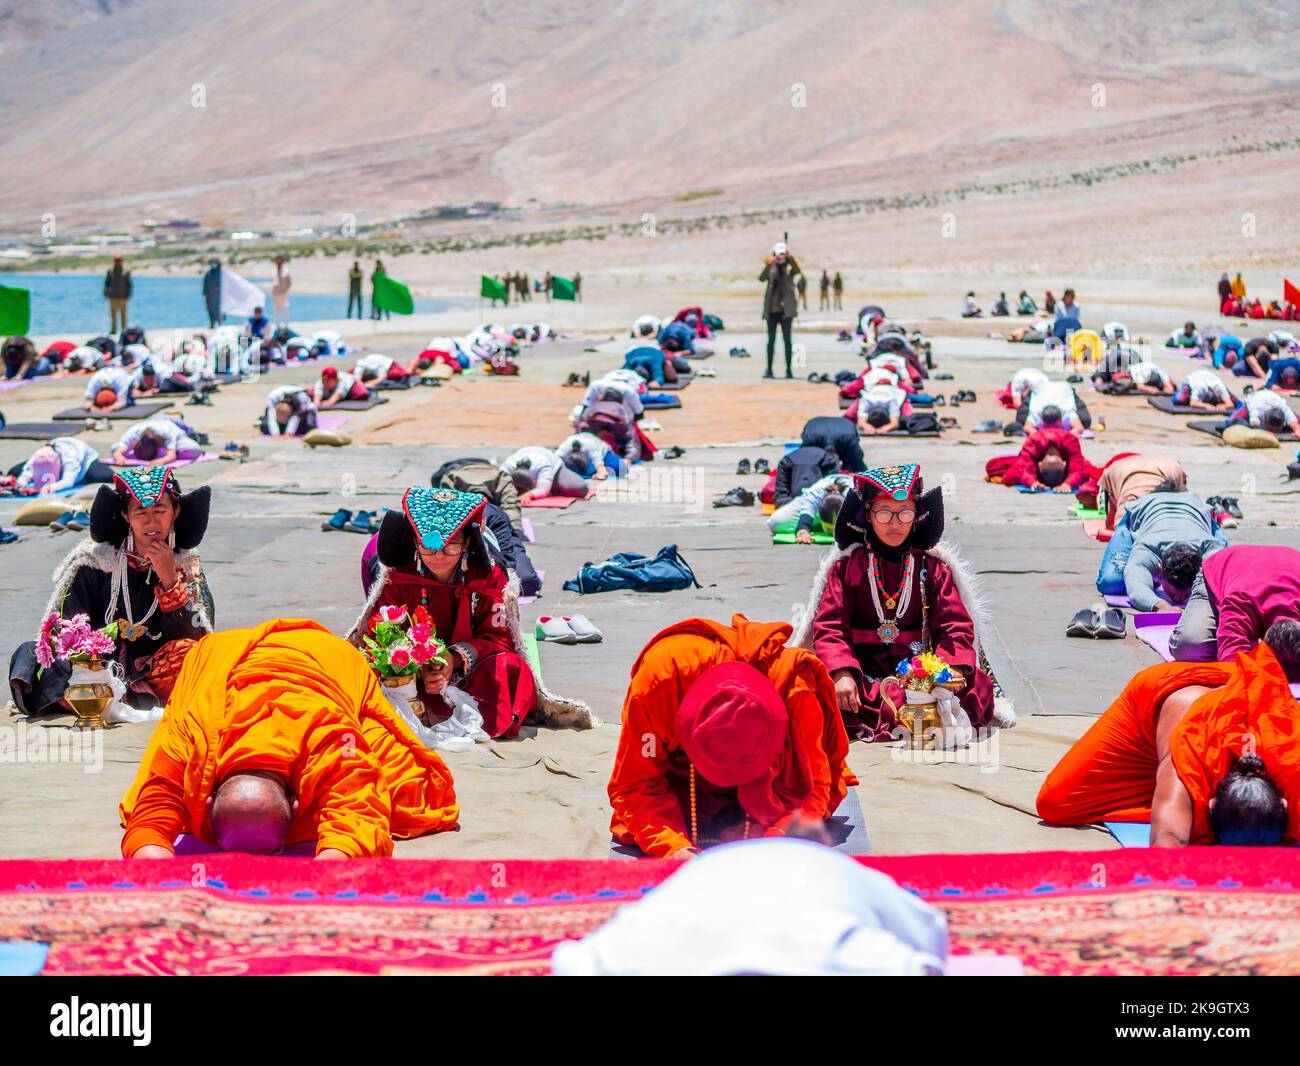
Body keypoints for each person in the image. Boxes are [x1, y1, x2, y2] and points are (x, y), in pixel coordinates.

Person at [119, 618, 458, 858]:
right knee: (378, 784)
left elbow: (151, 820)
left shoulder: (333, 738)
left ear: (206, 803)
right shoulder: (193, 734)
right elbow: (154, 811)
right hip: (221, 653)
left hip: (326, 656)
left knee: (404, 792)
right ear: (296, 805)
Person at [793, 464, 1012, 742]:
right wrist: (842, 672)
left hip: (920, 671)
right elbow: (830, 627)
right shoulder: (847, 568)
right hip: (863, 673)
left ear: (916, 515)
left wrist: (948, 671)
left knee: (973, 687)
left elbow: (954, 625)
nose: (895, 522)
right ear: (868, 515)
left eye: (904, 512)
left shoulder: (932, 568)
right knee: (815, 689)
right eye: (884, 512)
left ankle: (922, 707)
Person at [350, 487, 590, 738]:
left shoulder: (490, 577)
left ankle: (461, 715)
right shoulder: (397, 574)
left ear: (466, 543)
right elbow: (377, 634)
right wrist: (411, 664)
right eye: (428, 547)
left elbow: (500, 639)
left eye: (451, 546)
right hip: (412, 674)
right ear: (415, 543)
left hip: (466, 670)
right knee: (361, 670)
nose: (438, 557)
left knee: (511, 668)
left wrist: (454, 659)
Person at [607, 614, 854, 857]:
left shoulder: (794, 689)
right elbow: (635, 784)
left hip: (769, 785)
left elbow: (816, 787)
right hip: (685, 776)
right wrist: (674, 849)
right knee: (638, 823)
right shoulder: (660, 682)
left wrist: (776, 840)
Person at [1037, 626, 1300, 846]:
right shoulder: (1189, 762)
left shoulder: (1292, 761)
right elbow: (1167, 843)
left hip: (1235, 691)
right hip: (1158, 702)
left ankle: (1166, 790)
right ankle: (1167, 787)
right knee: (1056, 803)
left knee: (1174, 797)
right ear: (1209, 804)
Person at [8, 466, 214, 716]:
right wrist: (91, 655)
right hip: (95, 664)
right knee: (31, 655)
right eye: (141, 512)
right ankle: (98, 694)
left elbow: (198, 635)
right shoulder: (95, 561)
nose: (152, 521)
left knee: (193, 657)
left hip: (150, 669)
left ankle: (111, 696)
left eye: (160, 510)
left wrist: (170, 580)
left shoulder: (185, 563)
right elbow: (65, 629)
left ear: (176, 511)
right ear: (126, 516)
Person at [1096, 482, 1227, 611]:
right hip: (1145, 507)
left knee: (1228, 571)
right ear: (1159, 570)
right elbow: (1136, 584)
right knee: (1111, 582)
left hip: (1195, 508)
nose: (1179, 601)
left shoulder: (1208, 546)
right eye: (1174, 594)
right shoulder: (1148, 547)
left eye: (1186, 594)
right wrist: (1159, 606)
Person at [1170, 546, 1300, 663]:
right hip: (1222, 569)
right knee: (1188, 647)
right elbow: (1232, 662)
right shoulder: (1240, 603)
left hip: (1284, 564)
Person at [984, 427, 1100, 501]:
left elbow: (1077, 469)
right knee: (995, 467)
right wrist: (1033, 482)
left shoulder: (1070, 441)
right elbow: (1025, 469)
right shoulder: (1033, 442)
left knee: (1088, 470)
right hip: (1029, 458)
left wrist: (1068, 484)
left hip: (1060, 468)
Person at [1097, 453, 1186, 530]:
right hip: (1167, 469)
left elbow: (1111, 515)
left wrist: (1111, 526)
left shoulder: (1114, 468)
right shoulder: (1172, 465)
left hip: (1128, 503)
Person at [767, 473, 853, 542]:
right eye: (830, 531)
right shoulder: (815, 495)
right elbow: (805, 518)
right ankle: (816, 523)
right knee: (776, 522)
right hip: (816, 492)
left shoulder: (856, 498)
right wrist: (802, 531)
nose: (833, 535)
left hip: (849, 492)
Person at [760, 241, 802, 379]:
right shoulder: (771, 268)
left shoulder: (789, 268)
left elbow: (797, 271)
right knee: (770, 341)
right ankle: (769, 369)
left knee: (787, 341)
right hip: (772, 310)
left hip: (786, 311)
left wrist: (789, 259)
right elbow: (761, 278)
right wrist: (770, 264)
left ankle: (789, 370)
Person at [9, 438, 111, 495]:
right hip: (55, 454)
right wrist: (20, 485)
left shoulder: (70, 457)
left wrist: (52, 487)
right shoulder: (37, 456)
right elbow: (26, 473)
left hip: (86, 461)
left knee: (105, 476)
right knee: (14, 471)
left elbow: (69, 481)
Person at [501, 445, 587, 502]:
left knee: (580, 488)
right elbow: (497, 484)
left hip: (554, 469)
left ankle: (553, 486)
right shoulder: (509, 464)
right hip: (528, 453)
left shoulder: (542, 464)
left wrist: (530, 494)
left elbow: (543, 489)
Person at [772, 445, 840, 507]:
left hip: (795, 502)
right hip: (815, 500)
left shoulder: (787, 460)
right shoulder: (828, 459)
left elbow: (781, 494)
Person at [111, 418, 202, 465]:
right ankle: (158, 453)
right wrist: (118, 457)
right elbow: (118, 451)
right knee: (114, 448)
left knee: (194, 450)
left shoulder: (166, 433)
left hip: (174, 425)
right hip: (155, 421)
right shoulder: (134, 432)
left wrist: (162, 460)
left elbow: (171, 455)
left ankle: (160, 453)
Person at [1017, 380, 1091, 435]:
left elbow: (1079, 427)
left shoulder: (1067, 410)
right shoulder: (1036, 411)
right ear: (1042, 420)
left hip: (1065, 389)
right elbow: (1027, 427)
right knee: (1021, 420)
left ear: (1061, 420)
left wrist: (1066, 436)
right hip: (1039, 389)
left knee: (1085, 420)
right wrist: (1038, 435)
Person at [800, 415, 866, 474]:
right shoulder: (811, 439)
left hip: (817, 424)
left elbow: (858, 466)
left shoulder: (849, 440)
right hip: (844, 425)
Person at [1227, 387, 1300, 435]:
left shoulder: (1285, 409)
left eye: (1277, 430)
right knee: (1232, 422)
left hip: (1272, 397)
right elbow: (1255, 425)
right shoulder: (1256, 410)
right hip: (1255, 399)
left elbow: (1294, 424)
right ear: (1264, 420)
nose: (1274, 432)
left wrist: (1297, 430)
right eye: (1271, 429)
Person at [558, 430, 623, 480]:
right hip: (586, 465)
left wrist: (602, 474)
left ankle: (589, 472)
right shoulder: (565, 446)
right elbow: (555, 459)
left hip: (604, 453)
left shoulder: (591, 447)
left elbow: (600, 466)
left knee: (621, 468)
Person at [104, 256, 132, 334]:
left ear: (121, 261)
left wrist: (128, 295)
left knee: (123, 315)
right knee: (113, 315)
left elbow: (129, 285)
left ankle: (124, 330)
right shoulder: (110, 272)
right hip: (113, 297)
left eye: (119, 261)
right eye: (116, 261)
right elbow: (106, 284)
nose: (118, 262)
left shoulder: (126, 272)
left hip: (123, 297)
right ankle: (113, 330)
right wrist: (106, 293)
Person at [271, 257, 291, 329]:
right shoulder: (274, 270)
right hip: (275, 293)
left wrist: (285, 290)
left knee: (285, 308)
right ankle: (277, 325)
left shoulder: (286, 271)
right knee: (276, 309)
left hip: (283, 293)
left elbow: (289, 282)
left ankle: (286, 325)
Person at [201, 260, 222, 328]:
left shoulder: (221, 274)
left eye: (215, 263)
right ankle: (212, 323)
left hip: (219, 296)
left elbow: (225, 285)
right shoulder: (208, 274)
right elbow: (205, 285)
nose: (214, 264)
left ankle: (219, 323)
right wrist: (205, 294)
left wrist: (219, 288)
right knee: (210, 309)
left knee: (219, 310)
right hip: (210, 295)